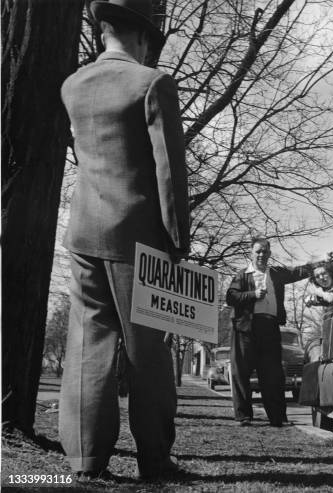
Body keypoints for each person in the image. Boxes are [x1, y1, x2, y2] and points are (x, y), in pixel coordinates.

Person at [58, 0, 189, 480]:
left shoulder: (73, 85)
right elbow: (169, 172)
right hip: (137, 236)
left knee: (89, 342)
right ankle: (155, 460)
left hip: (83, 231)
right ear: (140, 37)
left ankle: (86, 460)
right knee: (146, 351)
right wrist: (178, 241)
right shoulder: (152, 83)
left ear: (102, 32)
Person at [226, 237, 313, 427]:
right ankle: (244, 416)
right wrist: (253, 295)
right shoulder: (242, 275)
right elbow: (230, 297)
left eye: (265, 251)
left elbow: (297, 272)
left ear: (270, 254)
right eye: (257, 251)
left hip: (270, 327)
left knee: (273, 375)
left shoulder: (276, 273)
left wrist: (321, 262)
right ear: (251, 253)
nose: (261, 254)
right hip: (245, 329)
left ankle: (277, 417)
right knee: (241, 373)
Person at [302, 262, 333, 362]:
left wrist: (320, 292)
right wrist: (312, 297)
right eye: (317, 276)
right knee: (314, 353)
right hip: (326, 336)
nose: (321, 278)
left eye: (324, 273)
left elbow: (330, 298)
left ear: (330, 273)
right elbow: (310, 300)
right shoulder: (320, 295)